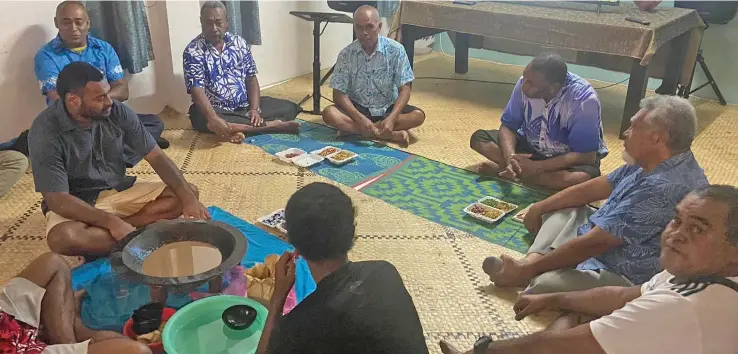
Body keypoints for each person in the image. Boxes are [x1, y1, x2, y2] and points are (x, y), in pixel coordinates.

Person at [441, 185, 738, 354]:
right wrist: (555, 300)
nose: (676, 234)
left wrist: (484, 351)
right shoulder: (697, 272)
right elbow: (624, 297)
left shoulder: (682, 306)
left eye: (698, 229)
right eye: (676, 221)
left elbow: (558, 347)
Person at [482, 95, 708, 294]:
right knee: (562, 207)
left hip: (624, 270)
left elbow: (596, 243)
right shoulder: (653, 158)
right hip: (604, 237)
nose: (625, 134)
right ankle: (532, 262)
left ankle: (529, 268)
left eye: (634, 128)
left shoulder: (664, 186)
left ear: (659, 138)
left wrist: (530, 271)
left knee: (543, 285)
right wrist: (540, 207)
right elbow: (600, 185)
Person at [28, 62, 210, 258]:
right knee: (64, 238)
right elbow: (57, 199)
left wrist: (189, 199)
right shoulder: (45, 131)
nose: (109, 102)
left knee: (187, 193)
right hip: (79, 201)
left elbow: (156, 157)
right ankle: (139, 231)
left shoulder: (115, 110)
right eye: (100, 98)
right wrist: (111, 222)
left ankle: (125, 232)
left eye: (108, 93)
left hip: (119, 188)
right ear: (73, 100)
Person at [255, 182, 429, 354]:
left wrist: (278, 297)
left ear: (295, 247)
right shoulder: (385, 272)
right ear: (352, 231)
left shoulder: (304, 323)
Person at [33, 1, 169, 168]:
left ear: (88, 23)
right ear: (56, 23)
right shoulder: (46, 56)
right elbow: (56, 99)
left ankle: (111, 157)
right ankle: (122, 151)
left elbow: (123, 89)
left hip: (105, 116)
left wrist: (97, 101)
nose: (73, 28)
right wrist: (93, 103)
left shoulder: (103, 48)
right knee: (78, 142)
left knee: (154, 123)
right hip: (74, 122)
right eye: (66, 22)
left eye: (78, 21)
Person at [470, 53, 607, 190]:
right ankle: (517, 169)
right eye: (525, 79)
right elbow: (508, 126)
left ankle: (511, 172)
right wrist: (510, 158)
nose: (524, 87)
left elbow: (587, 155)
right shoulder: (524, 82)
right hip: (531, 148)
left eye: (531, 84)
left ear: (552, 88)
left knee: (579, 178)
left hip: (564, 158)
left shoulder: (584, 100)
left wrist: (537, 167)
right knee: (479, 139)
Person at [184, 1, 301, 143]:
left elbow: (251, 79)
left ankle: (238, 128)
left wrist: (254, 109)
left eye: (218, 22)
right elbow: (197, 91)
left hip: (243, 106)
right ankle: (271, 126)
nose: (214, 28)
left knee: (289, 108)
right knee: (200, 116)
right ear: (201, 22)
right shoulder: (193, 51)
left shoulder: (239, 43)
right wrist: (213, 118)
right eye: (209, 23)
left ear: (227, 22)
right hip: (218, 110)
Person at [0, 253, 152, 353]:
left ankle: (65, 335)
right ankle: (71, 334)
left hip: (4, 327)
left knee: (52, 262)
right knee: (138, 351)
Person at [321, 5, 425, 147]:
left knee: (418, 116)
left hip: (388, 107)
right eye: (359, 27)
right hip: (358, 108)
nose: (364, 32)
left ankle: (355, 131)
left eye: (369, 27)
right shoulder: (346, 54)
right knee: (329, 113)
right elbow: (338, 94)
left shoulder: (396, 50)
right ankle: (390, 134)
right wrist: (359, 118)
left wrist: (393, 118)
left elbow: (405, 88)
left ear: (379, 26)